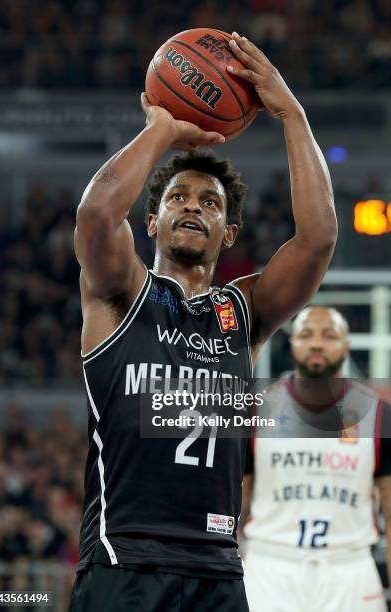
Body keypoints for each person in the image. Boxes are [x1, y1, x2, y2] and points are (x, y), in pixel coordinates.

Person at [69, 32, 337, 612]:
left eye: (210, 203)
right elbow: (94, 215)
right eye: (178, 198)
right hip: (126, 562)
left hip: (218, 568)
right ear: (152, 222)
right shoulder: (120, 293)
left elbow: (317, 241)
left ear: (229, 234)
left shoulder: (242, 313)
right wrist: (162, 129)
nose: (193, 206)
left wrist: (290, 111)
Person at [242, 306, 391, 612]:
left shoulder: (379, 415)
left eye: (329, 335)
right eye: (306, 335)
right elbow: (233, 508)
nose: (317, 343)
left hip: (349, 567)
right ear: (293, 343)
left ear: (347, 344)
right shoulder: (257, 410)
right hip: (270, 564)